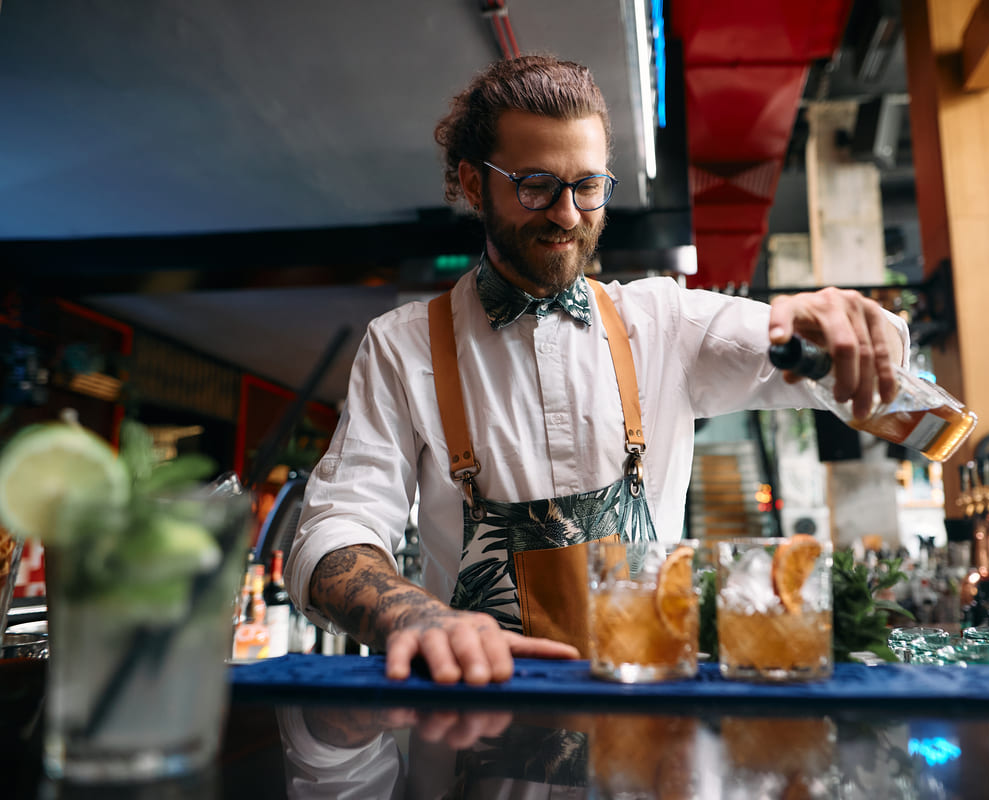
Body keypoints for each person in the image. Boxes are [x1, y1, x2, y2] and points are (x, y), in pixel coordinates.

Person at [285, 54, 908, 685]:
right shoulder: (403, 346)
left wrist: (836, 324)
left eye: (587, 186)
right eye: (536, 186)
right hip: (477, 721)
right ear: (474, 186)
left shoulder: (664, 322)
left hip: (650, 721)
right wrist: (410, 615)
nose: (566, 214)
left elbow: (833, 364)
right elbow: (336, 528)